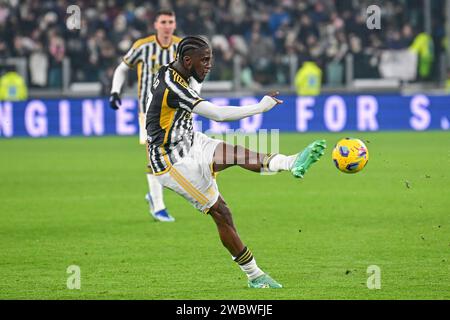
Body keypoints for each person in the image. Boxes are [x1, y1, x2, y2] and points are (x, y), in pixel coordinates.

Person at [146, 35, 326, 288]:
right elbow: (218, 115)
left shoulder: (174, 70)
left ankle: (291, 162)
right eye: (204, 60)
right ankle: (255, 275)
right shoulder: (173, 88)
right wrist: (260, 107)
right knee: (222, 213)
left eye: (211, 59)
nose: (209, 65)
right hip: (171, 160)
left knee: (237, 153)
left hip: (190, 140)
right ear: (187, 61)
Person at [109, 10, 201, 222]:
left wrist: (195, 97)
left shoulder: (182, 47)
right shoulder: (143, 46)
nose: (167, 25)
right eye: (163, 22)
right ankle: (158, 205)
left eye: (171, 21)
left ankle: (156, 196)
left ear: (175, 24)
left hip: (177, 112)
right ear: (156, 24)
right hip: (149, 112)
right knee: (154, 156)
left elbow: (196, 75)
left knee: (178, 157)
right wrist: (115, 91)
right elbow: (122, 68)